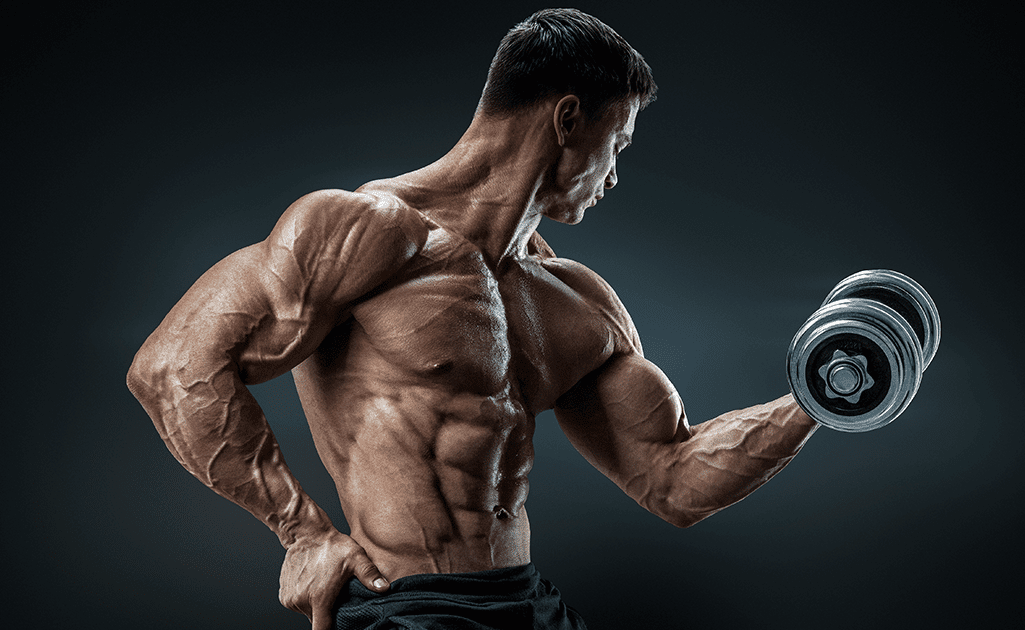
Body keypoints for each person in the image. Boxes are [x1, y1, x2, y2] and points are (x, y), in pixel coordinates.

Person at [127, 8, 818, 630]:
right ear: (568, 118)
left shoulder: (575, 299)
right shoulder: (365, 232)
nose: (614, 175)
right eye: (621, 142)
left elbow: (671, 478)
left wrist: (817, 399)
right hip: (407, 608)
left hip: (527, 604)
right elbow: (173, 368)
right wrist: (302, 533)